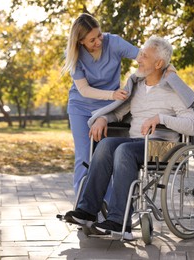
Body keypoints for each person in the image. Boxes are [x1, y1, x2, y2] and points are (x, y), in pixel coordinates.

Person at [66, 36, 194, 240]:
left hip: (163, 147)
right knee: (106, 145)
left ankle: (120, 223)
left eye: (144, 56)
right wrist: (103, 118)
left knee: (124, 151)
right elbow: (118, 112)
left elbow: (192, 125)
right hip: (136, 142)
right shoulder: (136, 87)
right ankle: (87, 212)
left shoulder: (173, 90)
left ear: (158, 64)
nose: (139, 58)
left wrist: (160, 118)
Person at [62, 13, 139, 197]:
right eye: (92, 40)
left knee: (106, 157)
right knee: (84, 157)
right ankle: (82, 207)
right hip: (80, 108)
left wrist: (165, 66)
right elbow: (84, 90)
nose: (98, 41)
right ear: (80, 41)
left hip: (107, 110)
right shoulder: (74, 55)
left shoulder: (114, 43)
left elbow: (142, 56)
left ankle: (108, 207)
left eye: (99, 35)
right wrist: (112, 94)